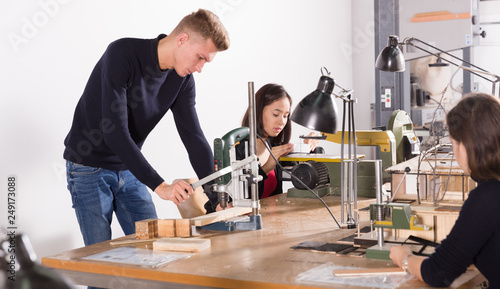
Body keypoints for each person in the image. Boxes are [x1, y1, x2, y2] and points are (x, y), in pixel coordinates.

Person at [63, 9, 230, 247]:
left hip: (129, 168)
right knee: (99, 261)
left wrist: (216, 195)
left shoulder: (182, 80)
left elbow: (194, 139)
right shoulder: (122, 54)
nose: (201, 68)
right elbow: (114, 131)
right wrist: (161, 186)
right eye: (200, 57)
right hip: (88, 168)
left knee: (153, 251)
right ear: (182, 40)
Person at [390, 93, 500, 288]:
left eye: (453, 144)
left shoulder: (488, 197)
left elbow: (439, 273)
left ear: (467, 145)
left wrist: (404, 258)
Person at [205, 83, 319, 212]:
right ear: (258, 112)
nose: (282, 122)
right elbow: (229, 198)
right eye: (276, 114)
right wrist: (267, 167)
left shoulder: (275, 148)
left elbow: (301, 171)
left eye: (286, 116)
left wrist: (308, 146)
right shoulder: (235, 150)